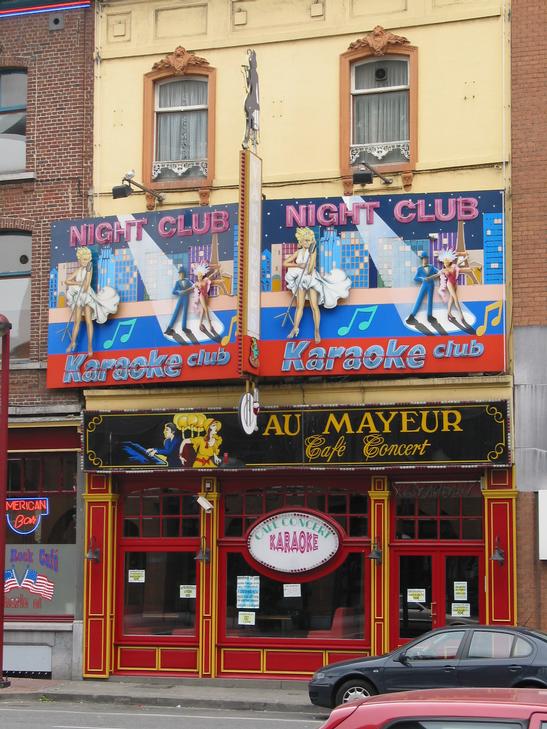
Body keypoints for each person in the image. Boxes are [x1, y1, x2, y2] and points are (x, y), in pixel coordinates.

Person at [284, 227, 351, 343]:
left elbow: (310, 269)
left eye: (309, 240)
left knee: (314, 306)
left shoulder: (313, 251)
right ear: (301, 241)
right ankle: (295, 328)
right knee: (299, 306)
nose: (307, 242)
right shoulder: (298, 252)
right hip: (301, 279)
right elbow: (285, 263)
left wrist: (310, 259)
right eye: (305, 240)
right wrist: (298, 265)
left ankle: (316, 331)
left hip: (311, 279)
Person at [65, 246, 119, 356]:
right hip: (78, 297)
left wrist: (80, 284)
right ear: (79, 259)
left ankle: (90, 346)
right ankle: (72, 342)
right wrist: (78, 283)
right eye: (83, 259)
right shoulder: (79, 270)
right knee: (77, 321)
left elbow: (86, 286)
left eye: (86, 259)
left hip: (86, 297)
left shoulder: (89, 269)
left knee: (89, 321)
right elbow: (67, 281)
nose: (85, 261)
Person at [426, 249, 481, 325]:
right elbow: (436, 275)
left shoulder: (454, 266)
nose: (445, 264)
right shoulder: (443, 270)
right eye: (444, 263)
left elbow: (459, 263)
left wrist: (465, 258)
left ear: (449, 262)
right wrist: (429, 278)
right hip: (449, 284)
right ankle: (461, 316)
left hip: (455, 284)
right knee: (455, 298)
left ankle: (449, 313)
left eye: (446, 262)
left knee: (451, 299)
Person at [406, 252, 439, 325]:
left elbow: (438, 272)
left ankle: (429, 316)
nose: (425, 260)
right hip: (424, 285)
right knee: (419, 300)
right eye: (424, 258)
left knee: (430, 300)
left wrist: (439, 273)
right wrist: (422, 278)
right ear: (422, 259)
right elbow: (415, 278)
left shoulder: (432, 267)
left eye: (426, 258)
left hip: (431, 285)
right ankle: (412, 316)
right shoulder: (419, 269)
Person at [165, 267, 193, 336]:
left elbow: (193, 287)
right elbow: (173, 292)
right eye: (180, 274)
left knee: (185, 313)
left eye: (182, 274)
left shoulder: (187, 281)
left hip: (186, 298)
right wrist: (179, 292)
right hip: (180, 298)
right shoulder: (177, 282)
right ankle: (169, 329)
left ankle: (184, 328)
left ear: (184, 274)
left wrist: (190, 290)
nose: (181, 275)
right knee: (176, 313)